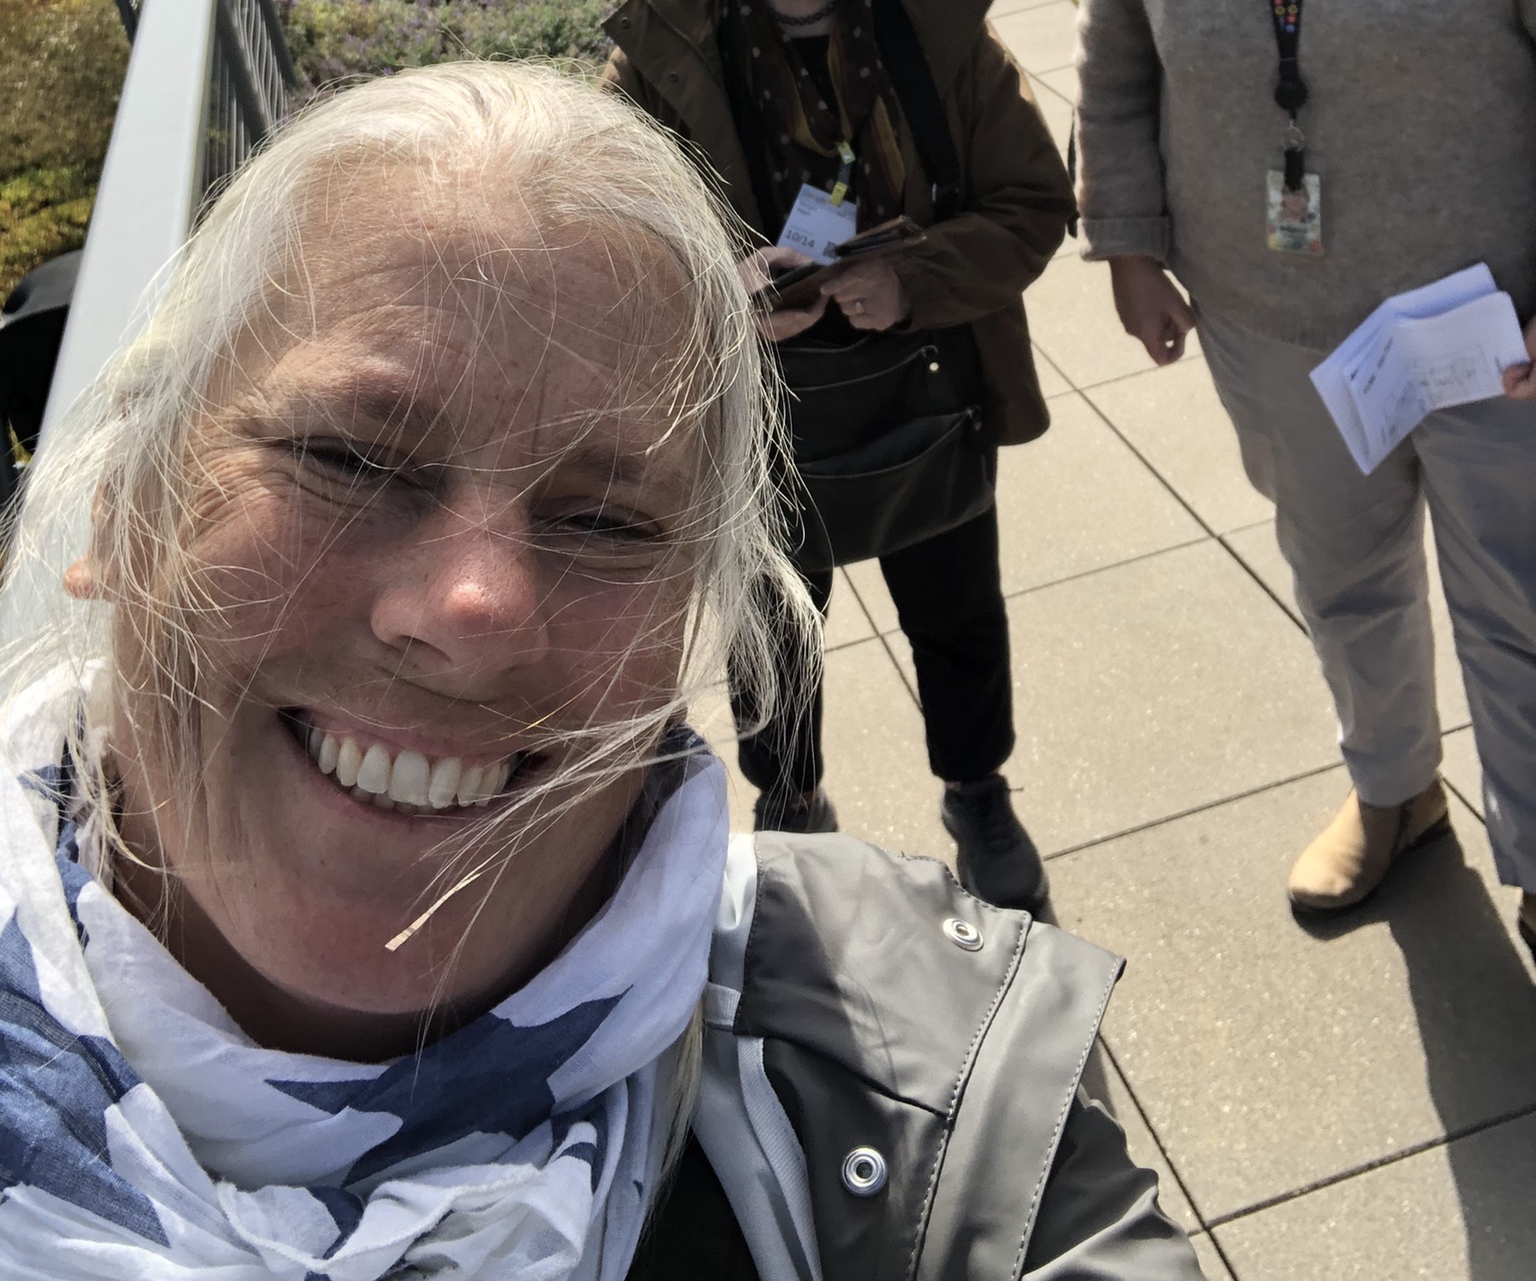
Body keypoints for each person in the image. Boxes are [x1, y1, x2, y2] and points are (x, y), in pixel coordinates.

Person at [0, 62, 1200, 1280]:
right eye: (349, 458)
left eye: (607, 524)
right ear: (122, 506)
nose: (473, 610)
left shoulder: (937, 1088)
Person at [1072, 0, 1536, 957]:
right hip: (1274, 323)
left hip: (1495, 318)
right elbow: (1114, 57)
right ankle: (1395, 793)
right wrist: (1128, 237)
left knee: (1523, 599)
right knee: (1344, 586)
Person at [603, 0, 1075, 912]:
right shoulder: (659, 52)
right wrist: (720, 294)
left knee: (957, 611)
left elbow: (1032, 201)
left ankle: (977, 790)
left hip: (927, 386)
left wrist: (915, 280)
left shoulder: (940, 28)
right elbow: (610, 244)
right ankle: (792, 800)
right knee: (773, 627)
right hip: (762, 408)